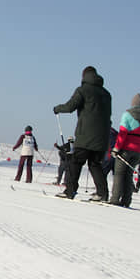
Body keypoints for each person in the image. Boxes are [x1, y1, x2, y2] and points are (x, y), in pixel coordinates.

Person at [53, 66, 112, 201]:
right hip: (102, 137)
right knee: (95, 164)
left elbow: (70, 107)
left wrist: (57, 109)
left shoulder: (83, 90)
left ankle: (70, 191)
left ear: (84, 76)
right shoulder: (107, 94)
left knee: (76, 161)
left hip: (86, 135)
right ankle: (103, 194)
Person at [109, 93, 140, 207]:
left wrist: (116, 148)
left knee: (119, 174)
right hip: (138, 150)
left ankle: (115, 199)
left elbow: (123, 133)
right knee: (129, 175)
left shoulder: (127, 115)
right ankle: (126, 201)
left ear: (132, 104)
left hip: (125, 149)